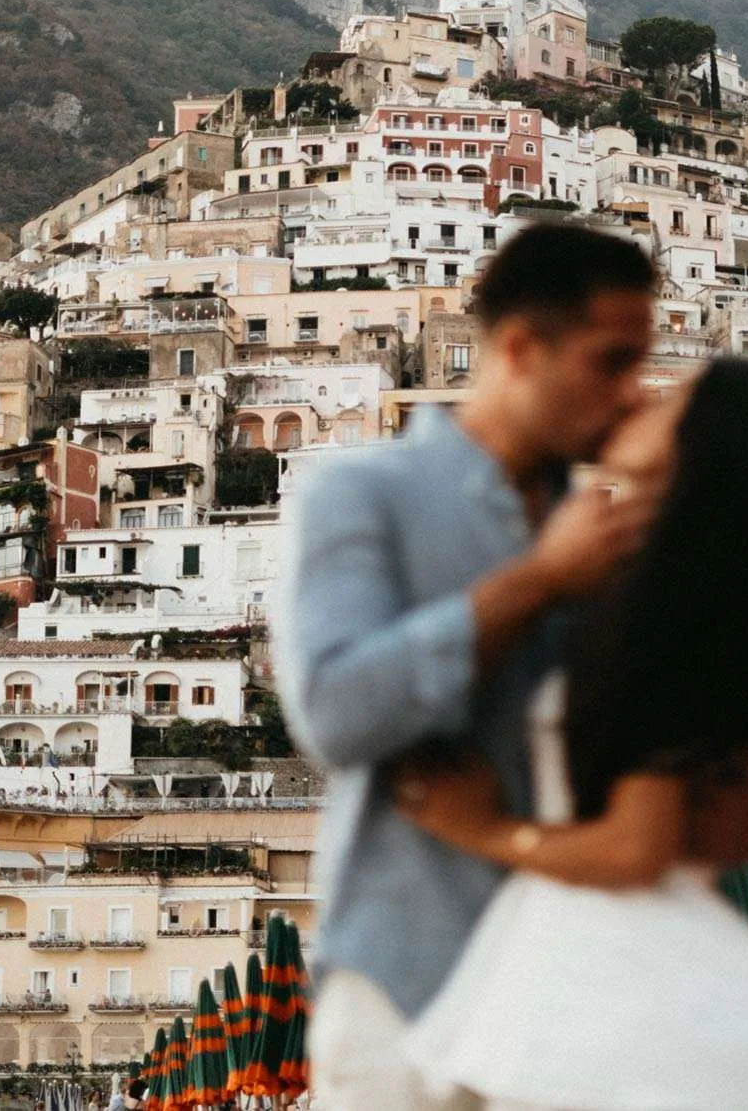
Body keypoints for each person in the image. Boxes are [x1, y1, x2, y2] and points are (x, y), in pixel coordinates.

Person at [393, 358, 748, 1110]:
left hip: (609, 962)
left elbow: (633, 847)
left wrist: (482, 829)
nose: (641, 395)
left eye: (670, 399)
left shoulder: (662, 619)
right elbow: (719, 828)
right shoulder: (686, 608)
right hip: (614, 953)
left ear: (696, 455)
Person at [280, 223, 661, 1108]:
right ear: (522, 348)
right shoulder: (359, 493)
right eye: (613, 361)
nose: (633, 392)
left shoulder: (626, 534)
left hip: (584, 1010)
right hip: (407, 996)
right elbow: (336, 712)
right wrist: (538, 581)